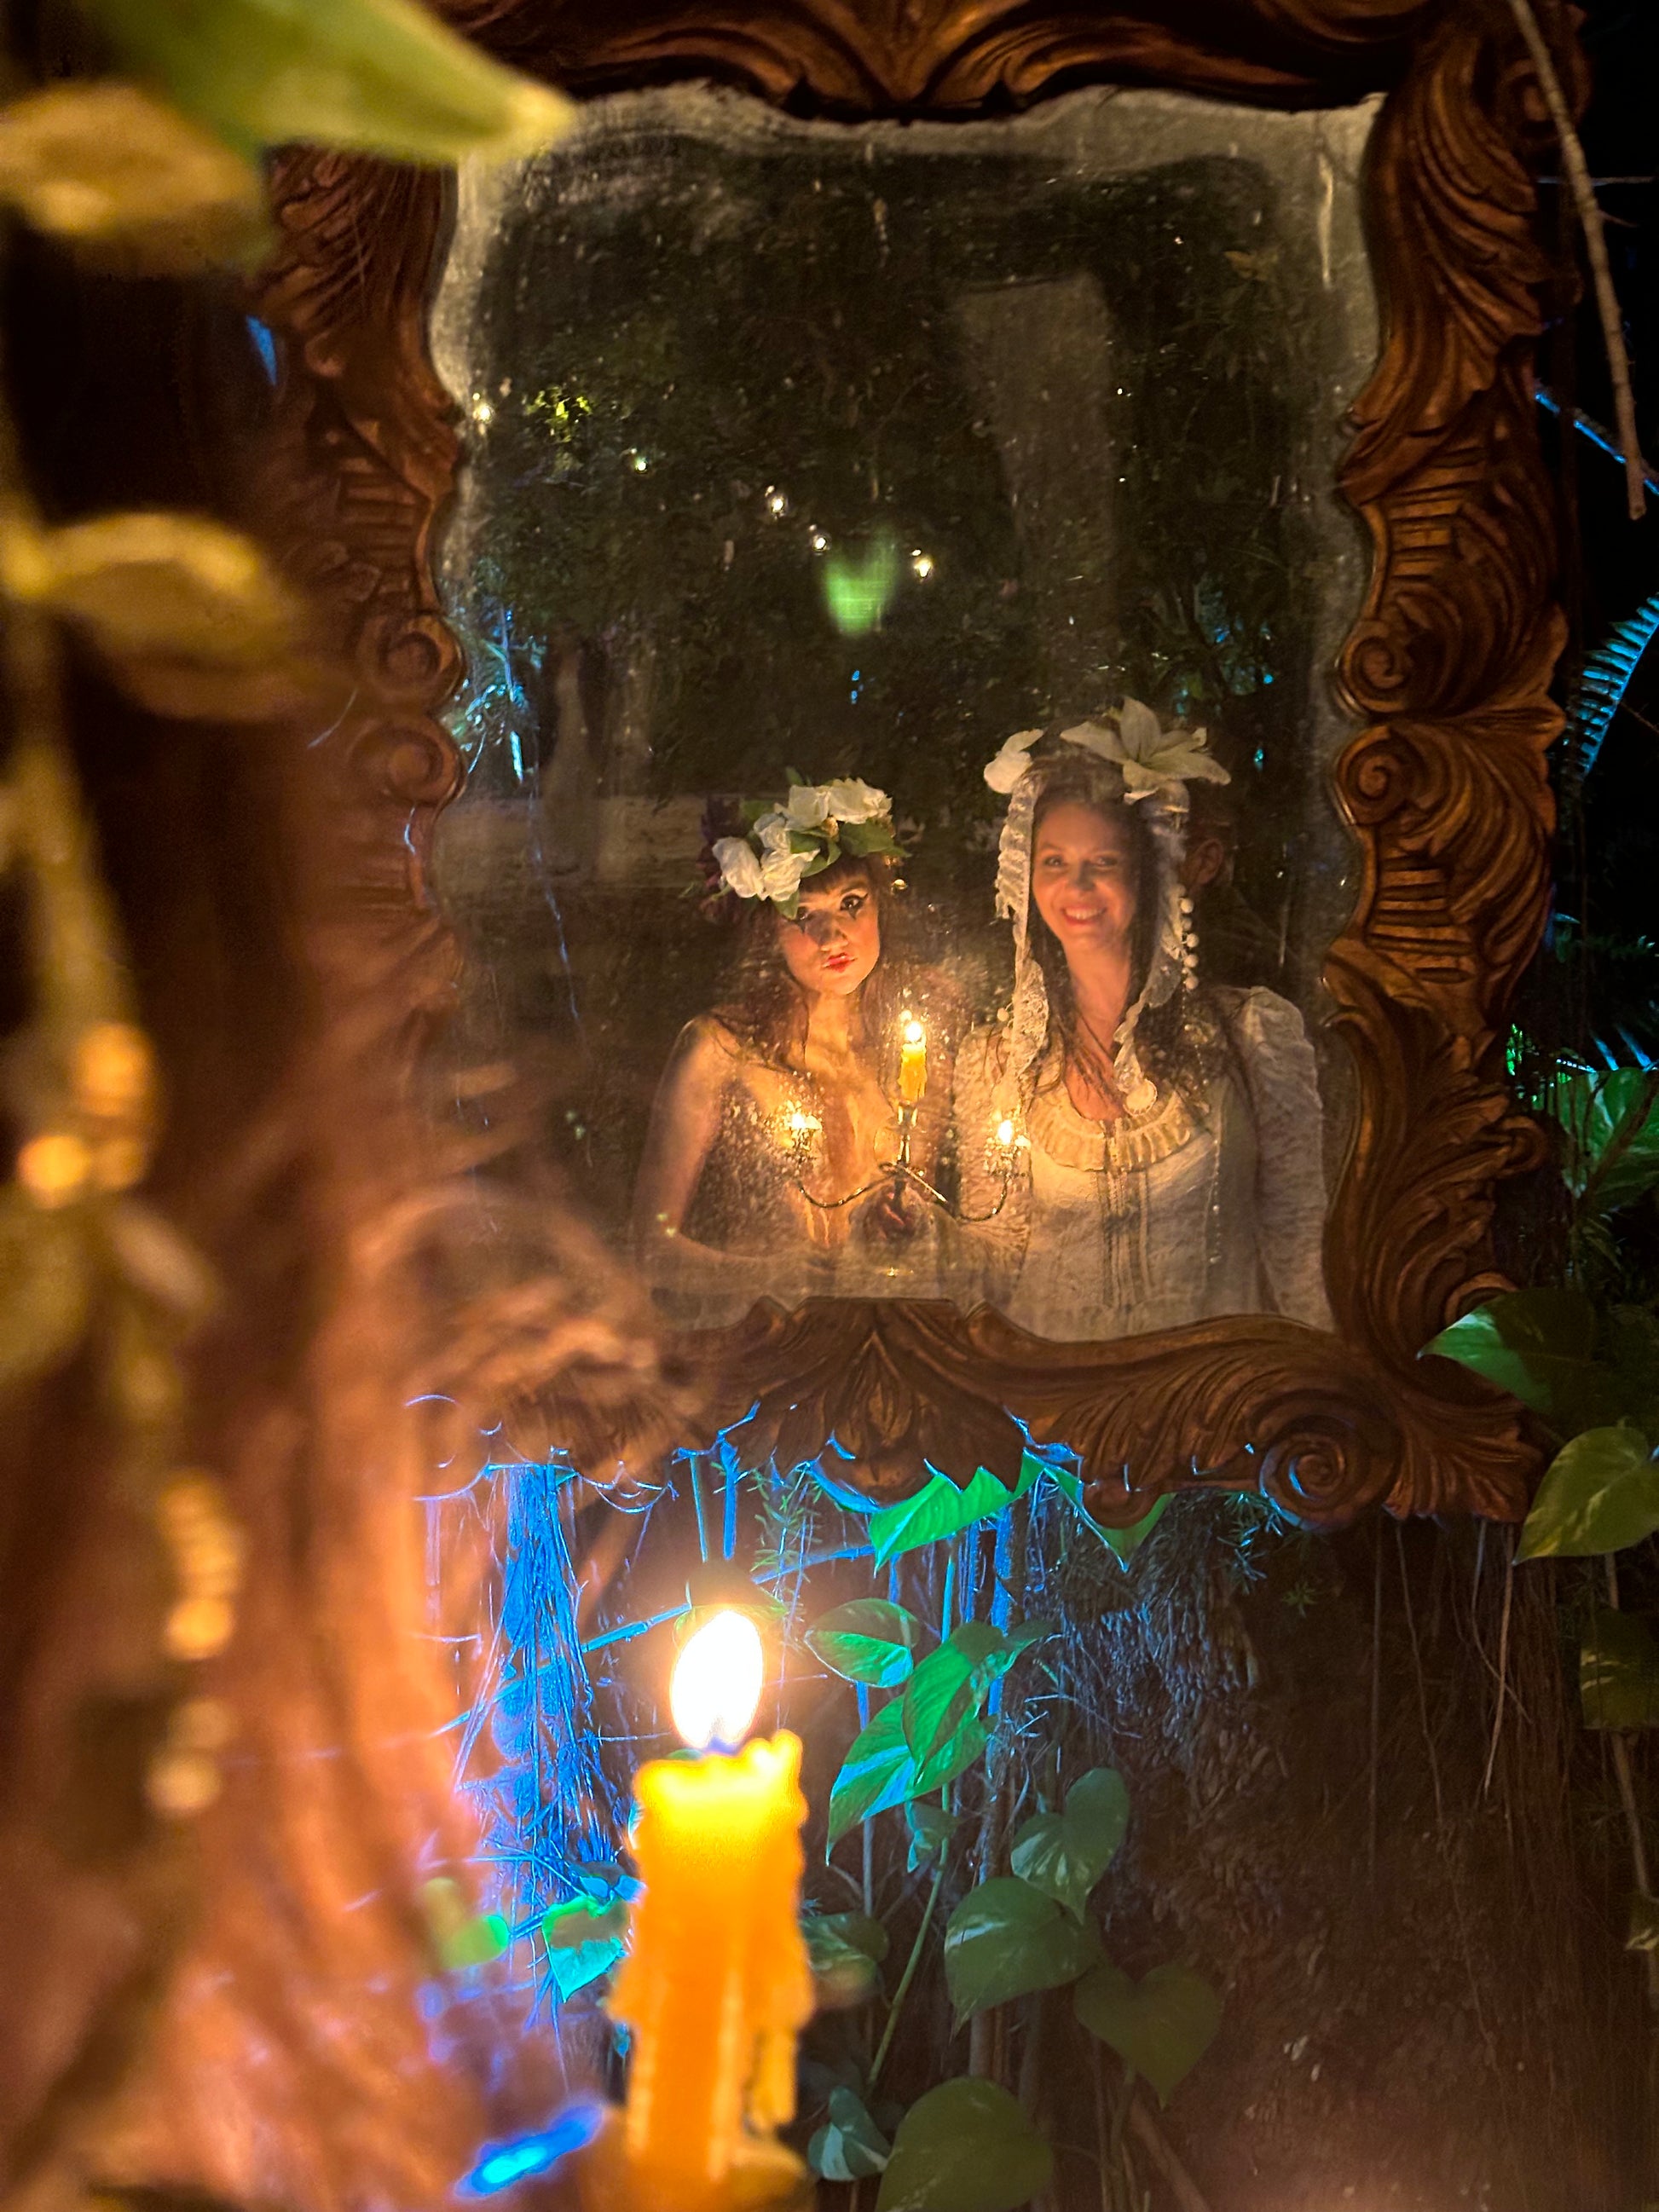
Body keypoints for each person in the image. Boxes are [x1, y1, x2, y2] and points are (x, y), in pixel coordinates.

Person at [951, 709, 1331, 1341]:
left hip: (1215, 1391)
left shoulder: (1254, 1036)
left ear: (1147, 872)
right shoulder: (997, 1063)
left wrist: (1318, 1374)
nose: (1076, 885)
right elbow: (992, 1261)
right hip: (1050, 1394)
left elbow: (1299, 1245)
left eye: (1102, 860)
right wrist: (922, 1234)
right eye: (1053, 861)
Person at [632, 777, 957, 1322]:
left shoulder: (916, 1052)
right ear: (768, 929)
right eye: (803, 915)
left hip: (884, 1337)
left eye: (851, 904)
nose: (832, 937)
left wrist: (905, 1223)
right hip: (763, 1344)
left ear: (881, 905)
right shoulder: (720, 1049)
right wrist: (770, 1276)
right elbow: (649, 1250)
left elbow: (917, 1226)